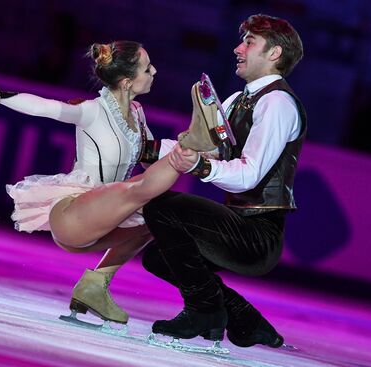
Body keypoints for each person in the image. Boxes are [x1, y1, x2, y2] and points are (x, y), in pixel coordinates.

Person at [0, 41, 165, 326]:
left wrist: (200, 157)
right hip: (74, 217)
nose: (154, 71)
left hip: (105, 221)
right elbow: (45, 107)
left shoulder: (137, 114)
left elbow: (153, 159)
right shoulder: (92, 111)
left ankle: (96, 285)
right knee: (141, 192)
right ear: (127, 82)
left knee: (159, 216)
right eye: (147, 68)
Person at [140, 13, 306, 348]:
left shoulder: (277, 103)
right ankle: (243, 318)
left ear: (274, 53)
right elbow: (194, 148)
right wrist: (140, 147)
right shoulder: (234, 101)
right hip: (234, 225)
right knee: (157, 257)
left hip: (258, 236)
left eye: (249, 42)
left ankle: (205, 311)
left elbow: (248, 175)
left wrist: (201, 167)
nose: (237, 48)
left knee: (163, 208)